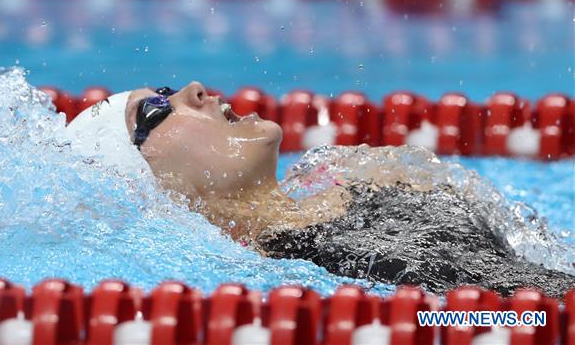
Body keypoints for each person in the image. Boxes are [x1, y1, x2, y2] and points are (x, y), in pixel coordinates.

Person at [66, 82, 575, 298]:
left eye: (164, 86)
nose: (193, 89)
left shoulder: (360, 179)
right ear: (151, 186)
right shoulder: (324, 263)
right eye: (155, 110)